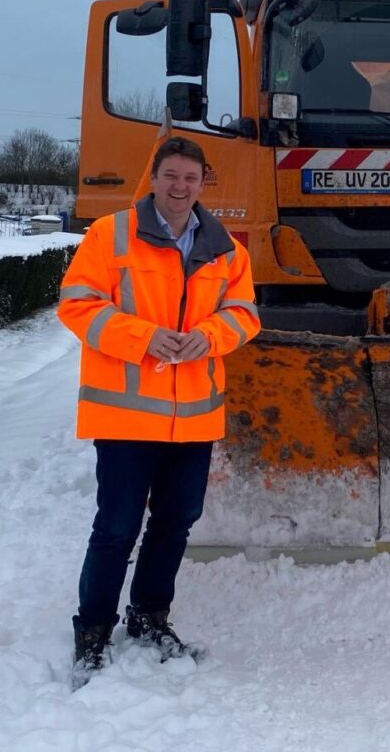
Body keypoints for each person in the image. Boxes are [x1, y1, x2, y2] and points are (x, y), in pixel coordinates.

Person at [56, 136, 260, 687]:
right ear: (154, 177)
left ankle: (149, 616)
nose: (180, 187)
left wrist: (210, 336)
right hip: (125, 417)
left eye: (190, 179)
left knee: (175, 523)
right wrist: (142, 338)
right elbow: (75, 305)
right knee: (117, 526)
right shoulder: (110, 235)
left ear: (202, 183)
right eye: (171, 176)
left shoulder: (226, 249)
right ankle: (92, 631)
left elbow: (245, 314)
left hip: (192, 417)